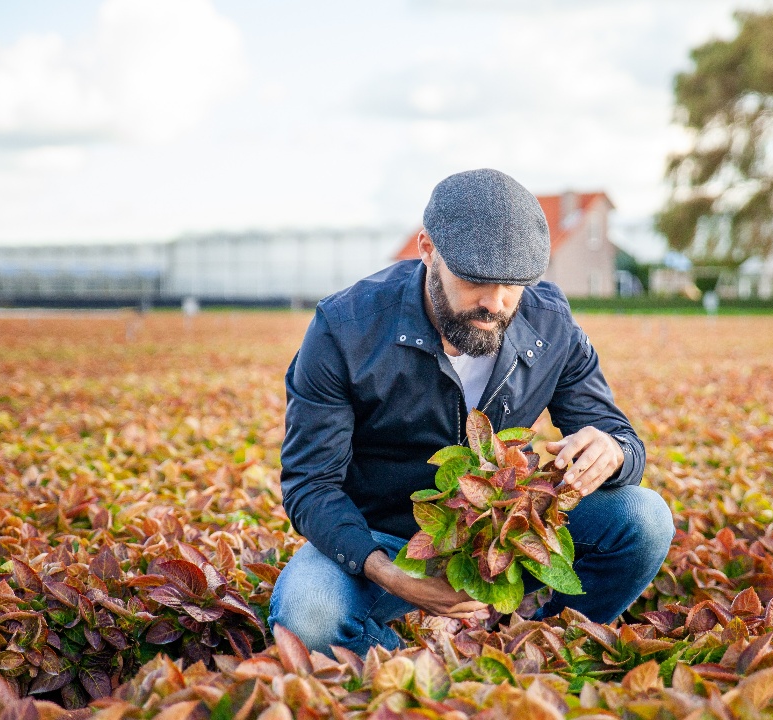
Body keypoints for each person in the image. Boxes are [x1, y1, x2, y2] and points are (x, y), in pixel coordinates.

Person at [268, 168, 674, 656]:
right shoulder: (345, 329)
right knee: (308, 617)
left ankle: (535, 650)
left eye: (513, 285)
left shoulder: (550, 322)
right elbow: (310, 484)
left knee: (645, 518)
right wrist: (390, 573)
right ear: (426, 249)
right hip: (381, 535)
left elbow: (618, 435)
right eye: (475, 281)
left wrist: (613, 450)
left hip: (501, 531)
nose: (495, 303)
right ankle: (427, 670)